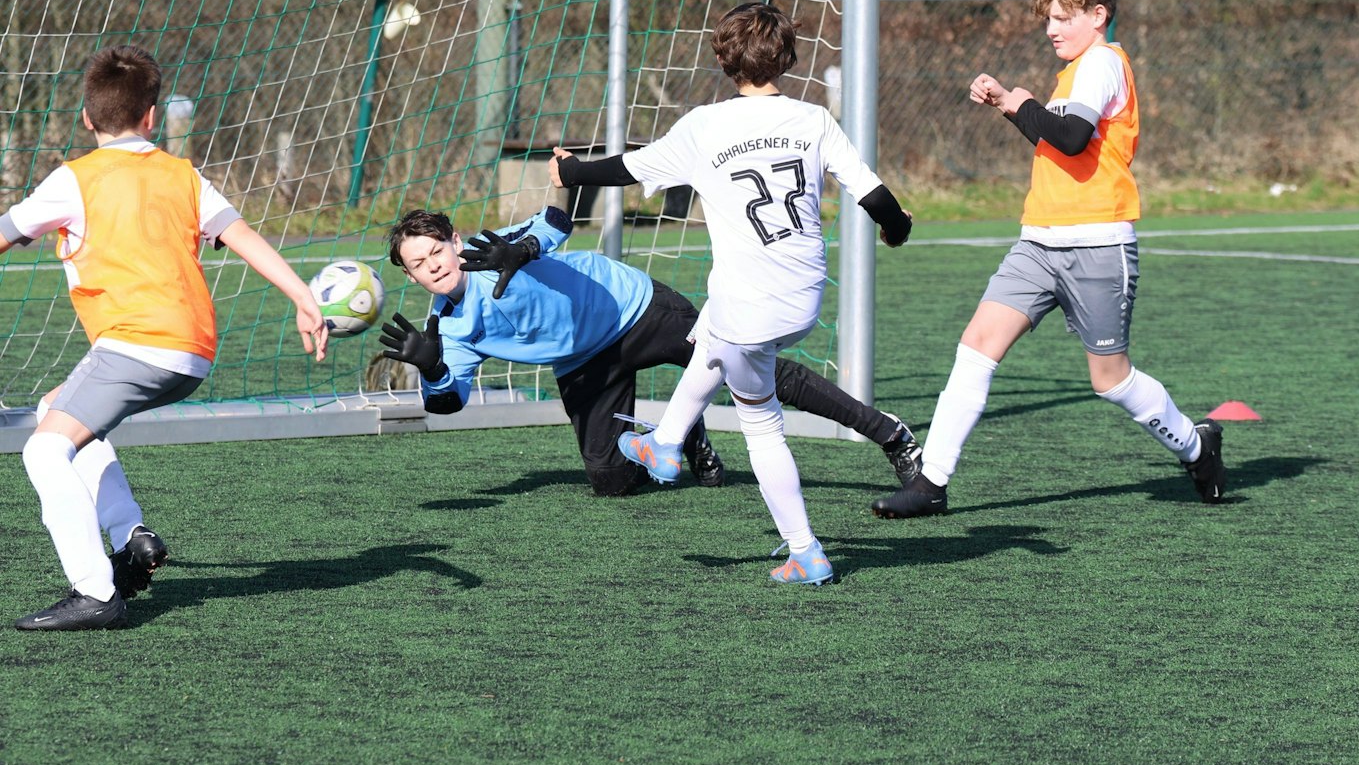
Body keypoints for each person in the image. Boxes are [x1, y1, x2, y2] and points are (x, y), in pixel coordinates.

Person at [552, 1, 912, 585]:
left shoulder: (704, 126)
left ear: (722, 58)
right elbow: (876, 198)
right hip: (804, 293)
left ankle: (806, 552)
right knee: (710, 330)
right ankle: (666, 443)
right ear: (789, 59)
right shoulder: (813, 119)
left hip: (752, 303)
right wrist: (898, 230)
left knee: (761, 421)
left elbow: (629, 169)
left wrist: (571, 174)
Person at [870, 0, 1223, 520]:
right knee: (976, 345)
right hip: (1038, 243)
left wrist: (1019, 101)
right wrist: (1013, 103)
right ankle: (931, 480)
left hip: (1098, 247)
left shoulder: (1104, 63)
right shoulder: (1072, 74)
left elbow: (1072, 138)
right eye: (1048, 17)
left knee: (1110, 380)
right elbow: (1058, 138)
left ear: (1098, 15)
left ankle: (1195, 444)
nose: (1051, 28)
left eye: (1063, 17)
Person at [2, 45, 327, 631]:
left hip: (136, 346)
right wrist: (303, 296)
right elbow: (242, 235)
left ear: (86, 116)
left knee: (43, 450)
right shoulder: (184, 174)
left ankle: (95, 592)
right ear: (152, 117)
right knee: (61, 412)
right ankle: (132, 538)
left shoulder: (74, 179)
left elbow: (5, 232)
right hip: (193, 352)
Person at [377, 205, 921, 498]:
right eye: (418, 264)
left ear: (453, 239)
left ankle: (889, 433)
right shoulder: (444, 329)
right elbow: (447, 403)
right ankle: (688, 433)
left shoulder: (489, 249)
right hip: (584, 362)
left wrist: (518, 251)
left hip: (635, 310)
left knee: (758, 375)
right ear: (408, 274)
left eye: (435, 251)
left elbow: (557, 220)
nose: (434, 266)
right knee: (610, 482)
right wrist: (432, 365)